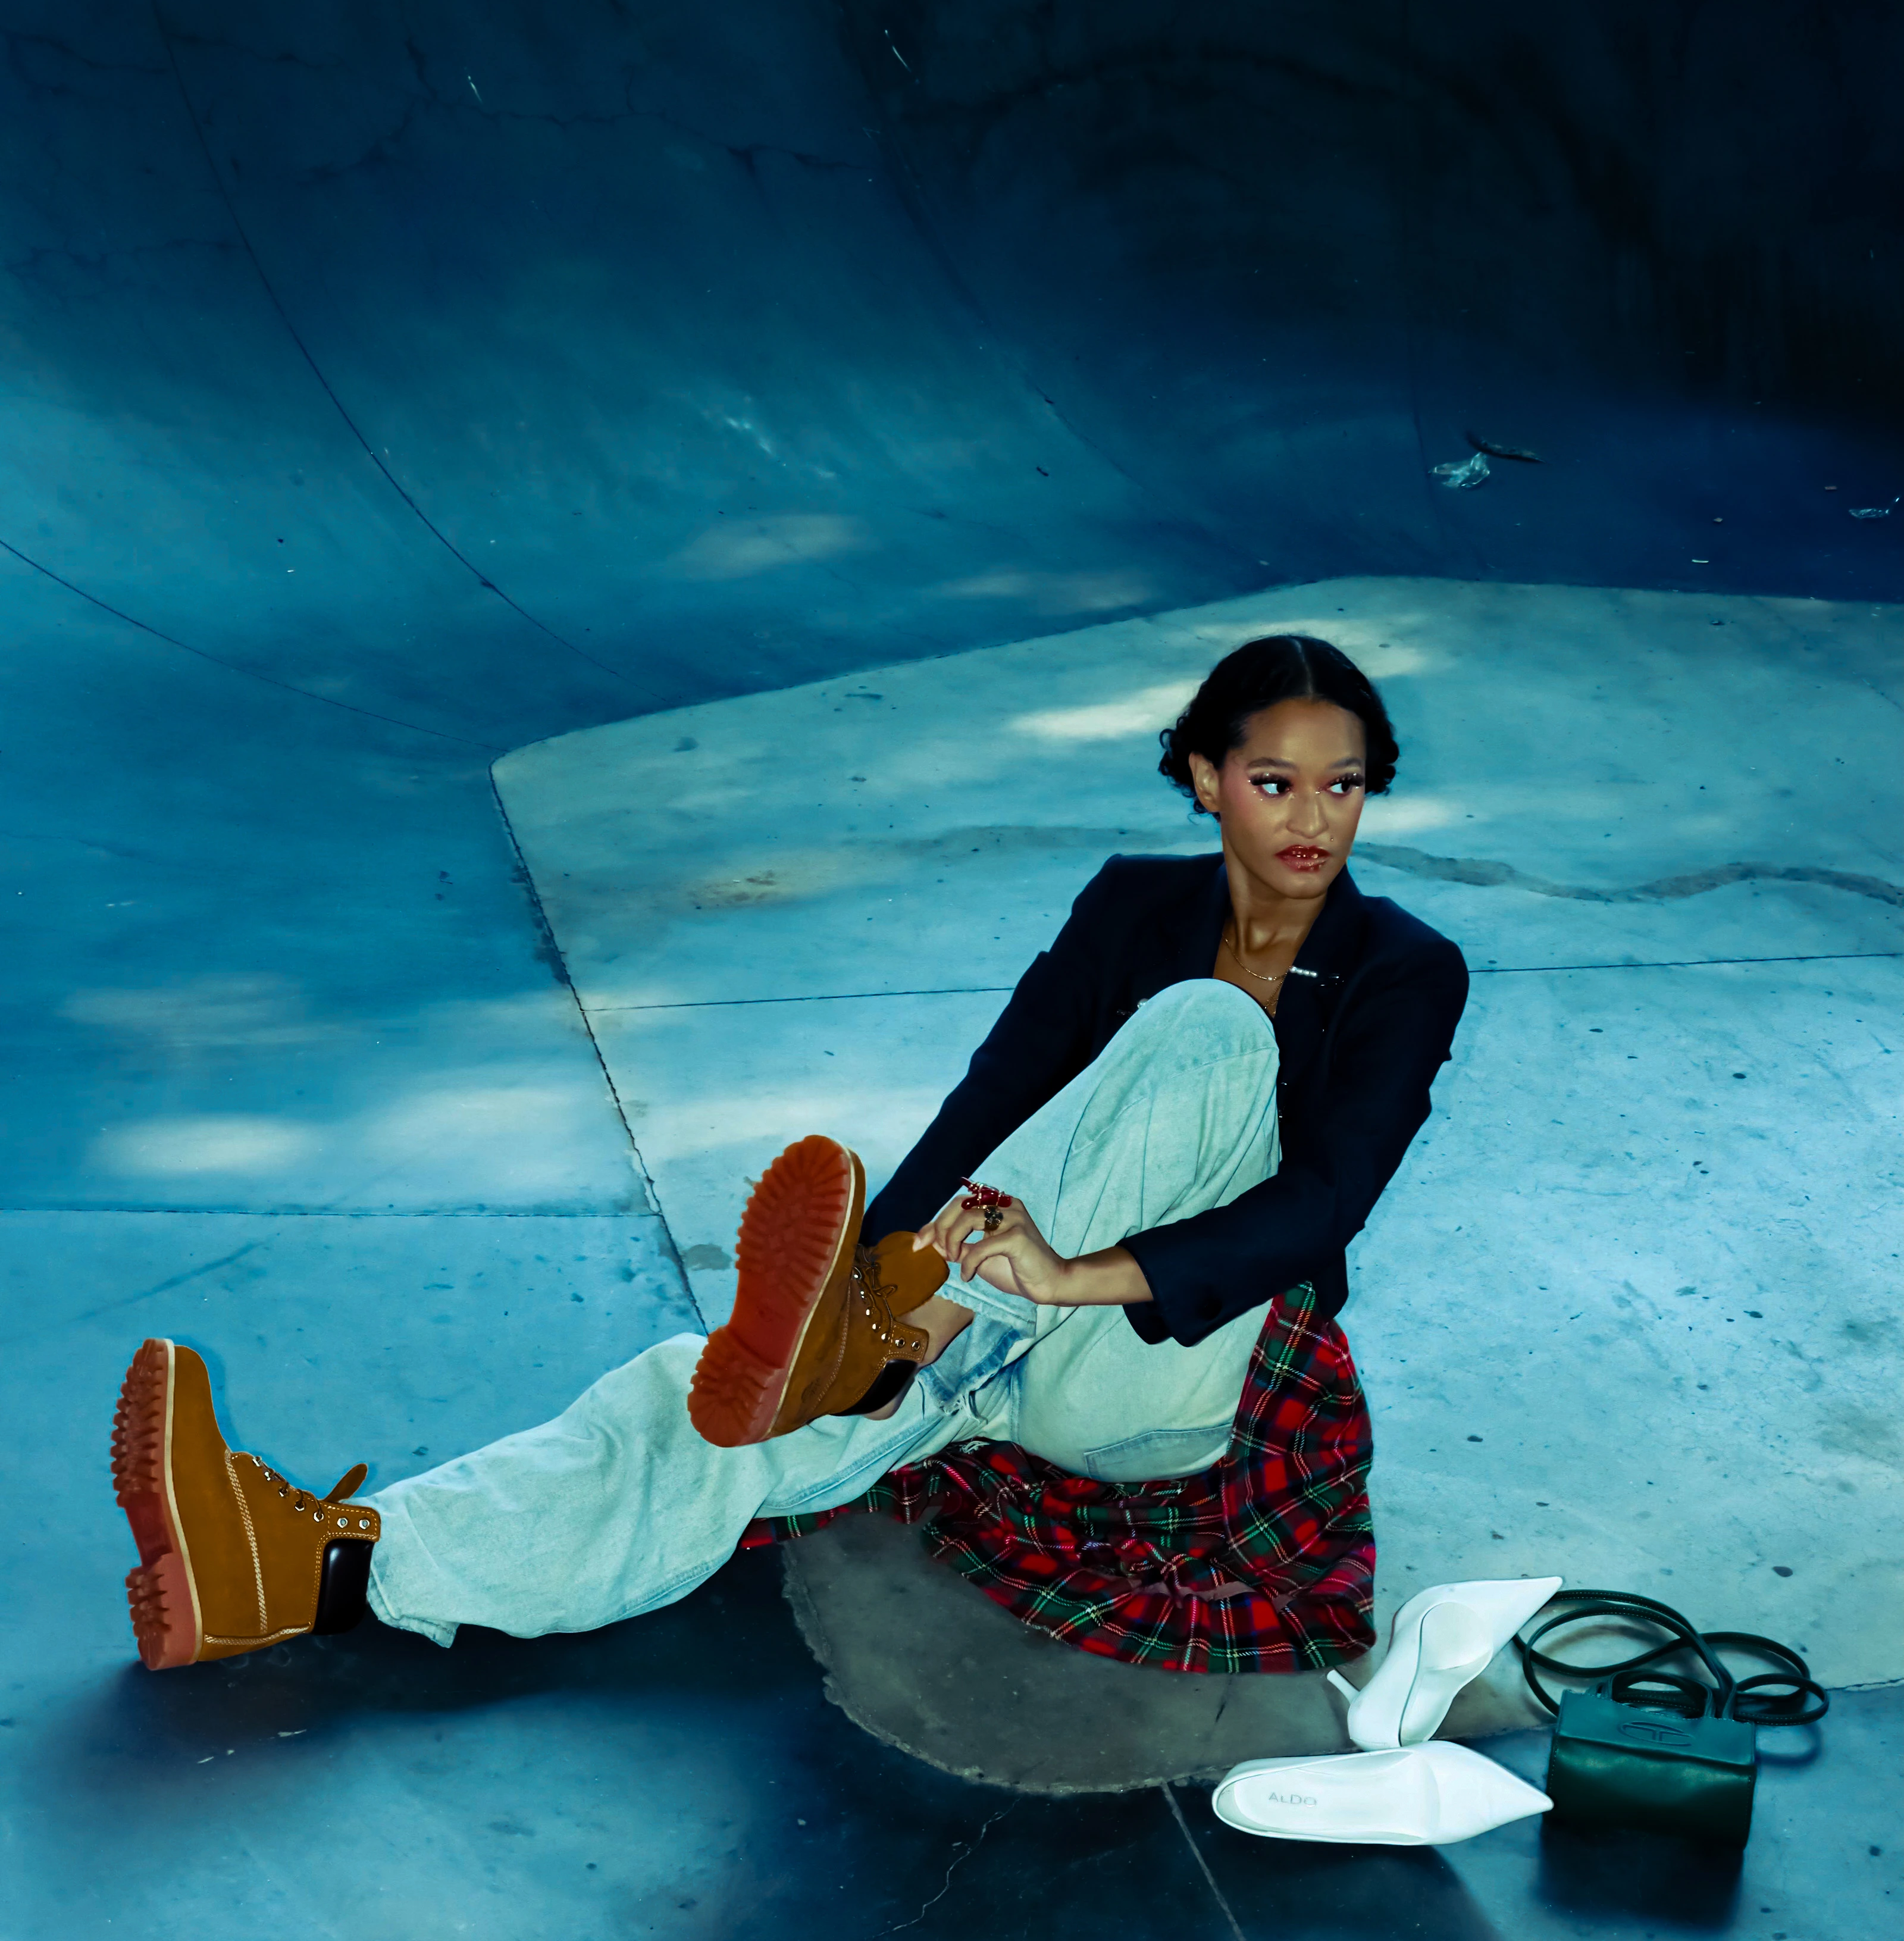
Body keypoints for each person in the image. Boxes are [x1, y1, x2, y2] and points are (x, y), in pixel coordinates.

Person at [111, 634, 1467, 1679]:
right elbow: (993, 1099)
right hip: (982, 1341)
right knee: (691, 1401)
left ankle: (888, 1331)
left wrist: (1060, 1279)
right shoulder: (1131, 901)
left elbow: (1320, 1205)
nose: (1312, 818)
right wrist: (893, 1263)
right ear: (1203, 780)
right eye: (1272, 780)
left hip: (1171, 1377)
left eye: (1342, 785)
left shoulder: (1404, 971)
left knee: (1206, 1034)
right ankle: (321, 1566)